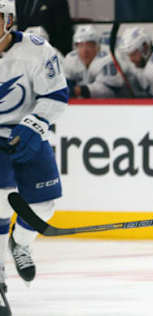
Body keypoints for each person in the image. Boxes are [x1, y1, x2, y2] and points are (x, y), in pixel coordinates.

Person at [0, 0, 68, 313]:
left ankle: (21, 244)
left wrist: (33, 125)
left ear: (9, 19)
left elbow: (56, 95)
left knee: (45, 204)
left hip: (29, 131)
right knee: (0, 201)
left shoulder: (37, 49)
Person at [64, 25, 127, 98]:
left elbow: (109, 91)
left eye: (89, 45)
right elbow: (65, 85)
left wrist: (81, 90)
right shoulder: (70, 59)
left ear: (97, 46)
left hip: (117, 105)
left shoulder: (108, 59)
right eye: (80, 45)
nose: (85, 50)